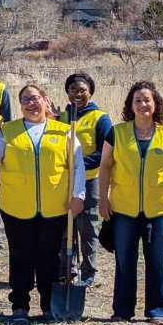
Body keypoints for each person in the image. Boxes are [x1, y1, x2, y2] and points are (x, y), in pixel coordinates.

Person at [98, 81, 163, 324]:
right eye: (138, 101)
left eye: (147, 100)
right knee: (124, 260)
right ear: (130, 106)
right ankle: (122, 310)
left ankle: (157, 311)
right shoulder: (117, 132)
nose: (143, 104)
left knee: (158, 261)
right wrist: (103, 198)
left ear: (155, 104)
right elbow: (105, 166)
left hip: (158, 209)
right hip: (124, 208)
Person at [0, 83, 85, 324]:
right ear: (20, 105)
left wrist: (78, 196)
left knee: (49, 259)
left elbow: (77, 166)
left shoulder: (64, 131)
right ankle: (20, 305)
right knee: (21, 257)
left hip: (54, 206)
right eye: (25, 100)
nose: (31, 104)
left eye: (35, 98)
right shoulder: (8, 130)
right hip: (17, 207)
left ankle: (49, 305)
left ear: (45, 100)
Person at [59, 72, 112, 288]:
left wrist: (80, 163)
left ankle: (89, 271)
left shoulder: (100, 117)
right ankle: (67, 269)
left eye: (82, 90)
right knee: (65, 226)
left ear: (90, 91)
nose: (77, 94)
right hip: (64, 181)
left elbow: (106, 152)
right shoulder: (62, 116)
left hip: (90, 180)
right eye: (73, 90)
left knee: (87, 226)